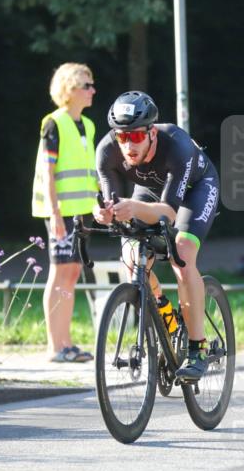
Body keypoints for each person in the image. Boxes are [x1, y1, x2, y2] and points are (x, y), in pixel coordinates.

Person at [93, 91, 220, 381]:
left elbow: (170, 213)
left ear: (151, 132)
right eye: (122, 137)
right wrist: (103, 212)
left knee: (182, 254)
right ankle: (165, 312)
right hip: (150, 192)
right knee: (130, 259)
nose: (128, 145)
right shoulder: (106, 151)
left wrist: (134, 206)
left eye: (136, 137)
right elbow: (110, 203)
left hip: (194, 191)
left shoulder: (177, 145)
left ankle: (197, 348)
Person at [32, 63, 100, 362]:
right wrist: (55, 214)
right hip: (61, 213)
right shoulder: (53, 123)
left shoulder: (89, 125)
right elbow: (48, 172)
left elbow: (90, 171)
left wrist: (99, 201)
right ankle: (55, 346)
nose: (92, 90)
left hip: (82, 212)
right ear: (69, 91)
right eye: (86, 85)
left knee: (72, 273)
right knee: (59, 273)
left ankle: (66, 343)